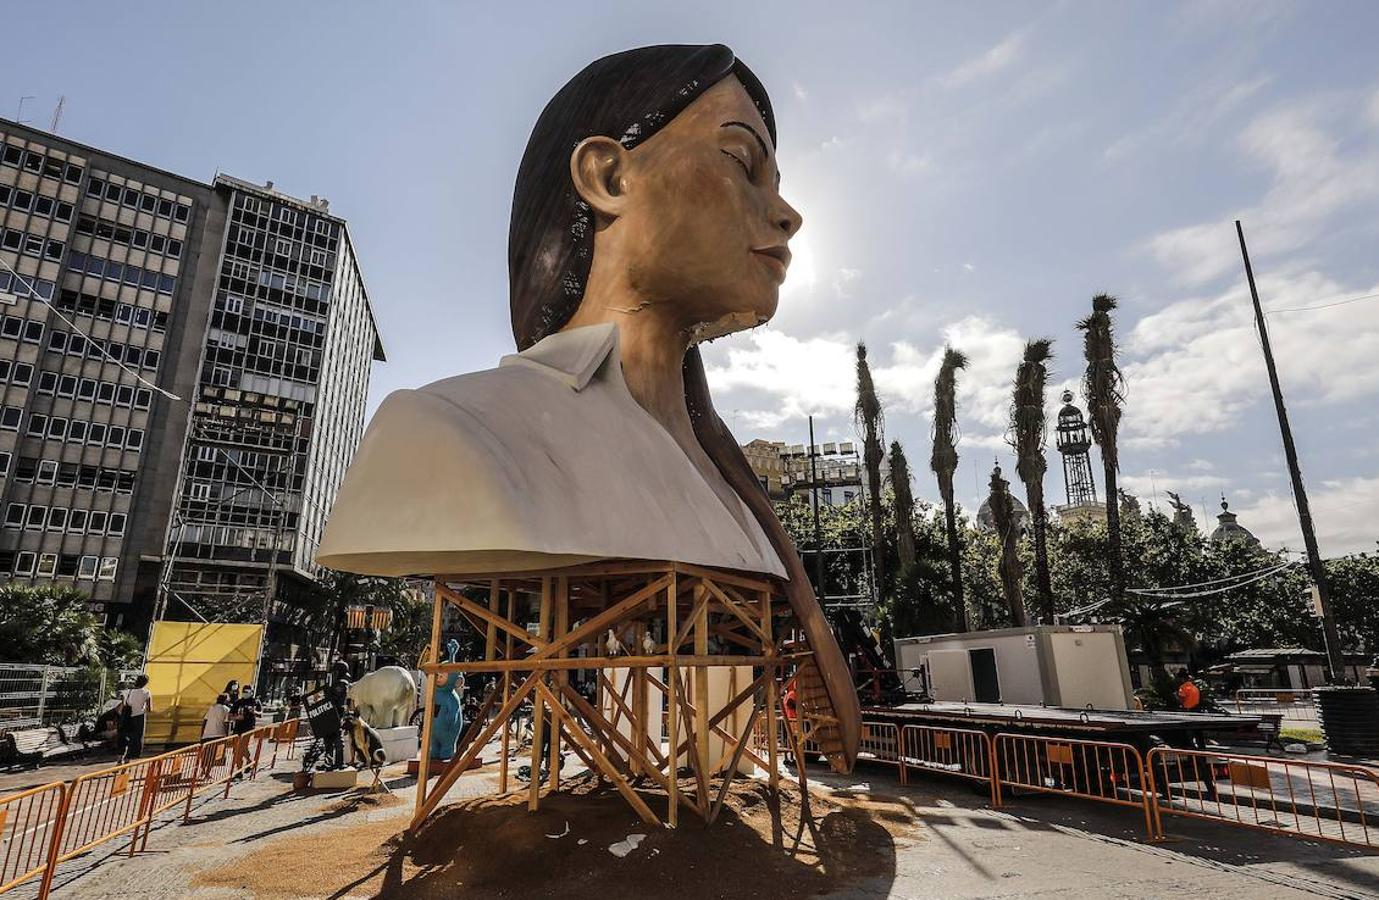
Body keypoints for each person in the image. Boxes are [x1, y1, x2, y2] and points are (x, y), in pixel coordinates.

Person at [316, 43, 860, 773]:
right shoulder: (452, 431)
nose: (786, 214)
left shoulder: (730, 496)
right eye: (740, 160)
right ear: (606, 176)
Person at [119, 674, 153, 760]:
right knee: (137, 737)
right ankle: (131, 755)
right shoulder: (146, 692)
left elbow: (123, 705)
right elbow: (150, 709)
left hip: (127, 716)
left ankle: (122, 755)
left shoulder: (128, 691)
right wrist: (143, 707)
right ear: (146, 683)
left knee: (127, 735)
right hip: (139, 716)